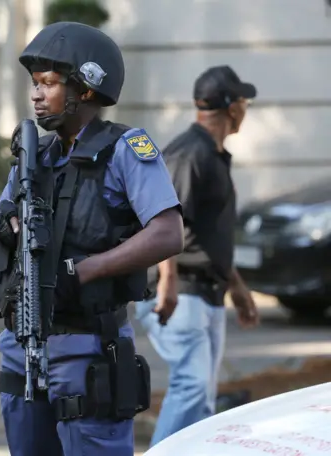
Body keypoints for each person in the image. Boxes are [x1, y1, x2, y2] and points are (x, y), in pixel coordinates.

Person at [0, 22, 184, 456]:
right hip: (23, 347)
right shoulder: (33, 158)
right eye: (35, 84)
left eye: (49, 83)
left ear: (86, 89)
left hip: (88, 350)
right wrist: (1, 227)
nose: (36, 94)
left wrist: (84, 270)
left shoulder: (127, 148)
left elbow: (168, 233)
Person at [135, 65, 261, 448]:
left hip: (206, 291)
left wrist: (236, 287)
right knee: (192, 385)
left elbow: (208, 234)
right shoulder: (189, 154)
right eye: (243, 101)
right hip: (180, 291)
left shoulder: (213, 153)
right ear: (231, 108)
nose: (246, 108)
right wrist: (168, 282)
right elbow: (163, 219)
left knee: (202, 398)